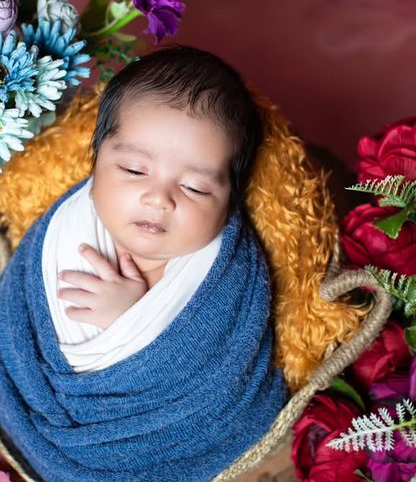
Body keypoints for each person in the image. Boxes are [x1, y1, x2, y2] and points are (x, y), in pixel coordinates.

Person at [0, 46, 287, 482]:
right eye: (135, 170)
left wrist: (130, 314)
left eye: (194, 187)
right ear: (96, 159)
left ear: (231, 197)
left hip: (156, 431)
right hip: (45, 411)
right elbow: (22, 309)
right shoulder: (67, 228)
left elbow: (216, 364)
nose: (160, 198)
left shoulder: (221, 274)